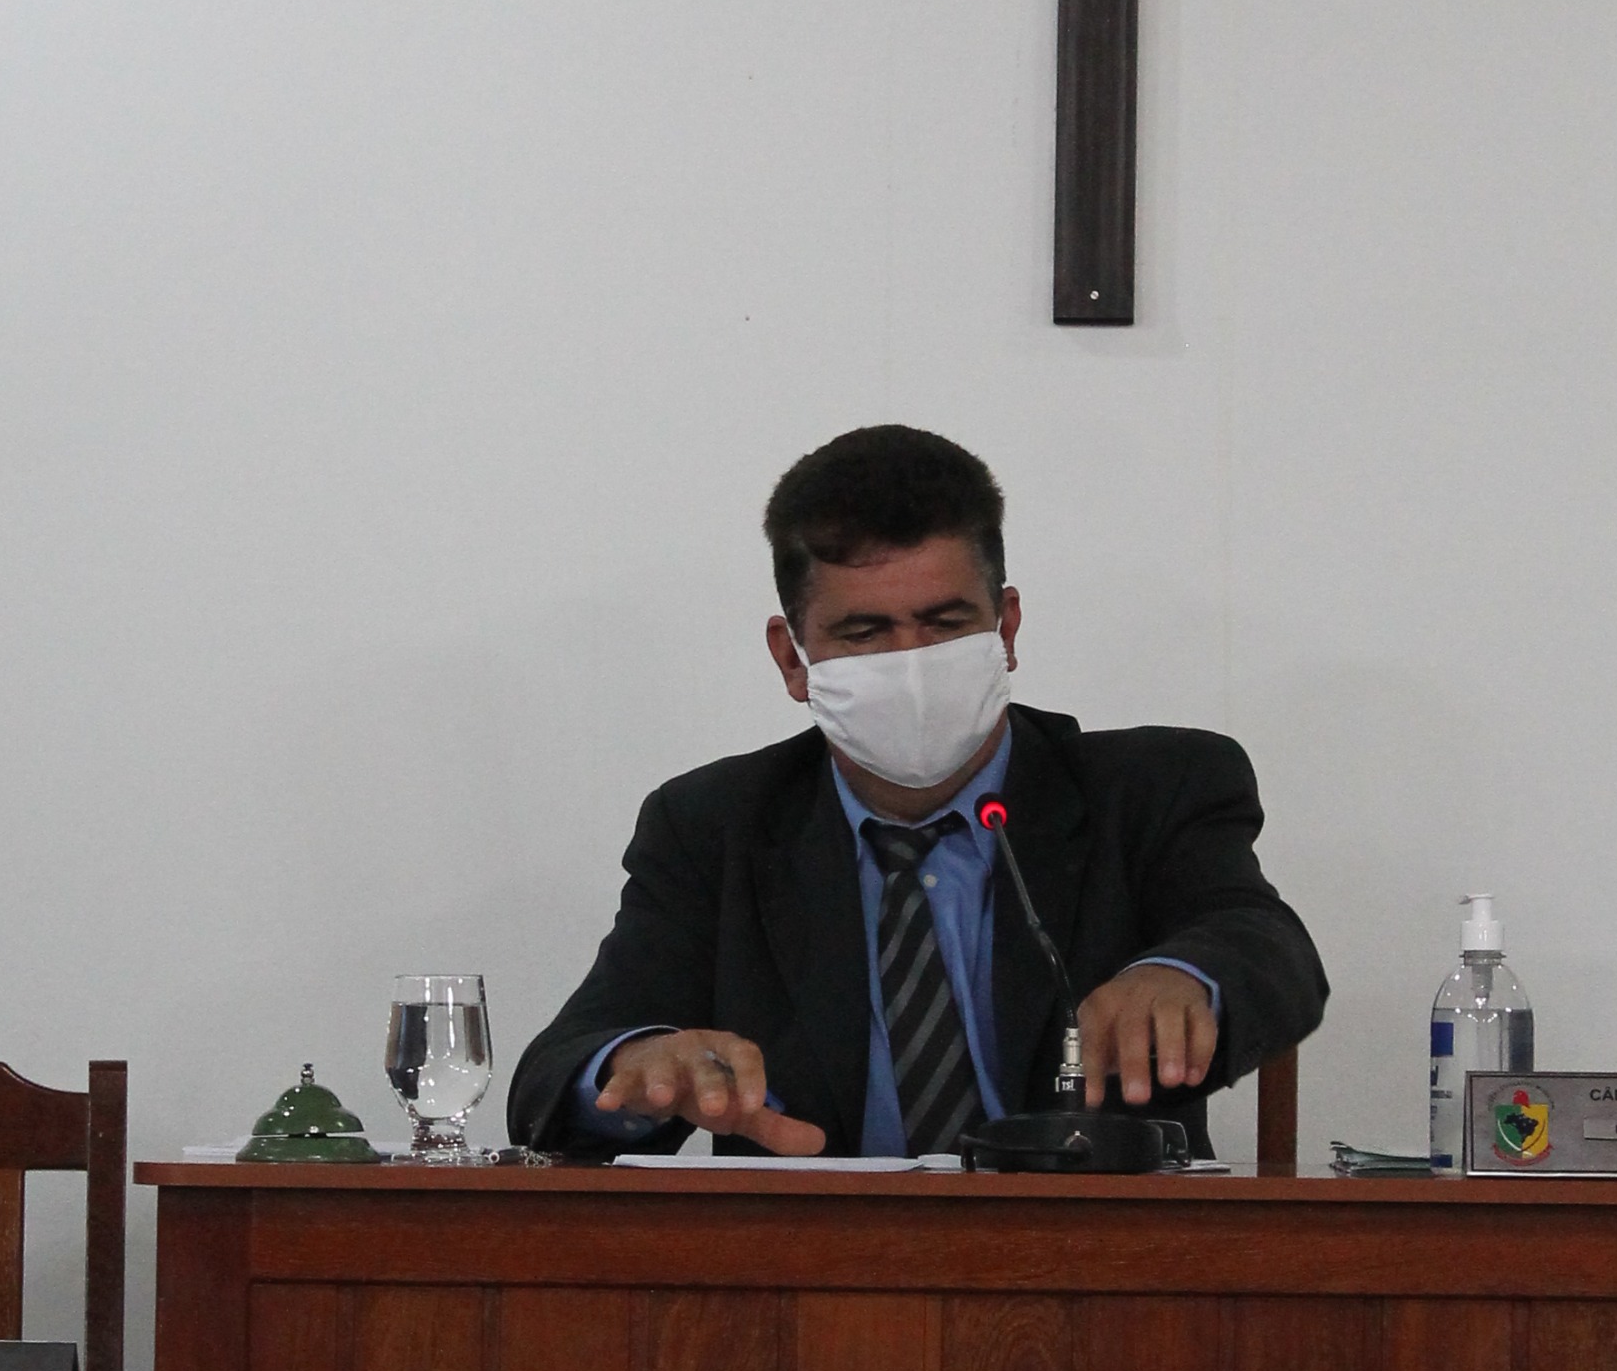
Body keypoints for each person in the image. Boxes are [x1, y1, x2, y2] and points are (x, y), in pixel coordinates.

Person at [508, 425, 1326, 1162]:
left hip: (1097, 1254)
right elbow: (556, 1073)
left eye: (944, 624)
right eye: (864, 633)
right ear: (791, 659)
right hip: (816, 1262)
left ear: (1005, 627)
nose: (911, 663)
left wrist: (1181, 974)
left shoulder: (1150, 787)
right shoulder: (713, 825)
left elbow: (1266, 946)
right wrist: (636, 1068)